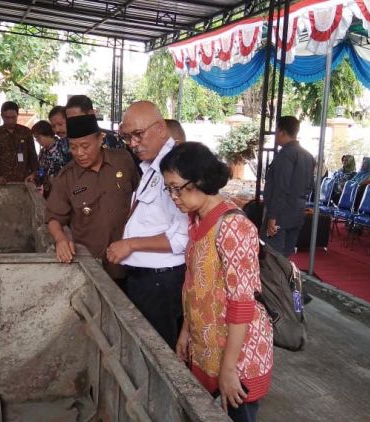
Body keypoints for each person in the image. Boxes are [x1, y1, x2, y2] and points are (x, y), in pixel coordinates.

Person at [161, 142, 273, 422]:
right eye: (168, 189)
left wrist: (229, 369)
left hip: (238, 357)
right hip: (208, 346)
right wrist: (186, 331)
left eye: (177, 187)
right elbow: (194, 283)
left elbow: (242, 303)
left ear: (199, 180)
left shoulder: (233, 226)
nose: (173, 196)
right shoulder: (196, 219)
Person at [106, 101, 189, 349]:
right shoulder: (152, 167)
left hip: (161, 283)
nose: (133, 143)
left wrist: (131, 244)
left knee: (159, 354)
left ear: (160, 128)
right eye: (127, 137)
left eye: (138, 135)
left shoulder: (176, 170)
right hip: (147, 281)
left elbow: (181, 238)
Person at [45, 114, 139, 281]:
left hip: (130, 261)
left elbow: (140, 197)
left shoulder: (123, 160)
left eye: (85, 146)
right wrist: (60, 239)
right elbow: (53, 218)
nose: (79, 153)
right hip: (92, 265)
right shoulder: (67, 177)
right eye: (73, 147)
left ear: (100, 140)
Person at [261, 116, 316, 258]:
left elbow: (281, 188)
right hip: (297, 211)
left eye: (276, 131)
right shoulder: (308, 156)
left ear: (282, 132)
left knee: (273, 257)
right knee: (286, 256)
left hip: (281, 213)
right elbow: (310, 185)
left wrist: (273, 217)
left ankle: (277, 280)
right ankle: (284, 280)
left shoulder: (285, 155)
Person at [0, 101, 38, 184]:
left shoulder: (26, 132)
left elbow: (32, 155)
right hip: (3, 181)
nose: (10, 121)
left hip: (24, 180)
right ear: (2, 116)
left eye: (13, 117)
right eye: (7, 117)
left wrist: (34, 173)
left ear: (17, 115)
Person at [27, 120, 70, 199]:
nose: (38, 141)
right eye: (36, 139)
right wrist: (35, 177)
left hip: (66, 192)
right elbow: (42, 171)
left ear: (48, 134)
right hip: (49, 193)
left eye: (39, 138)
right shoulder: (43, 152)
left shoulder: (63, 147)